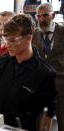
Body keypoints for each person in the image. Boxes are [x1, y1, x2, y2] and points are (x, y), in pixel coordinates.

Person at [32, 3, 64, 131]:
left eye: (45, 15)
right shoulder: (34, 34)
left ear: (53, 15)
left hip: (62, 85)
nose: (42, 19)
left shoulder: (62, 32)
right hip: (42, 87)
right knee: (41, 123)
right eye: (38, 16)